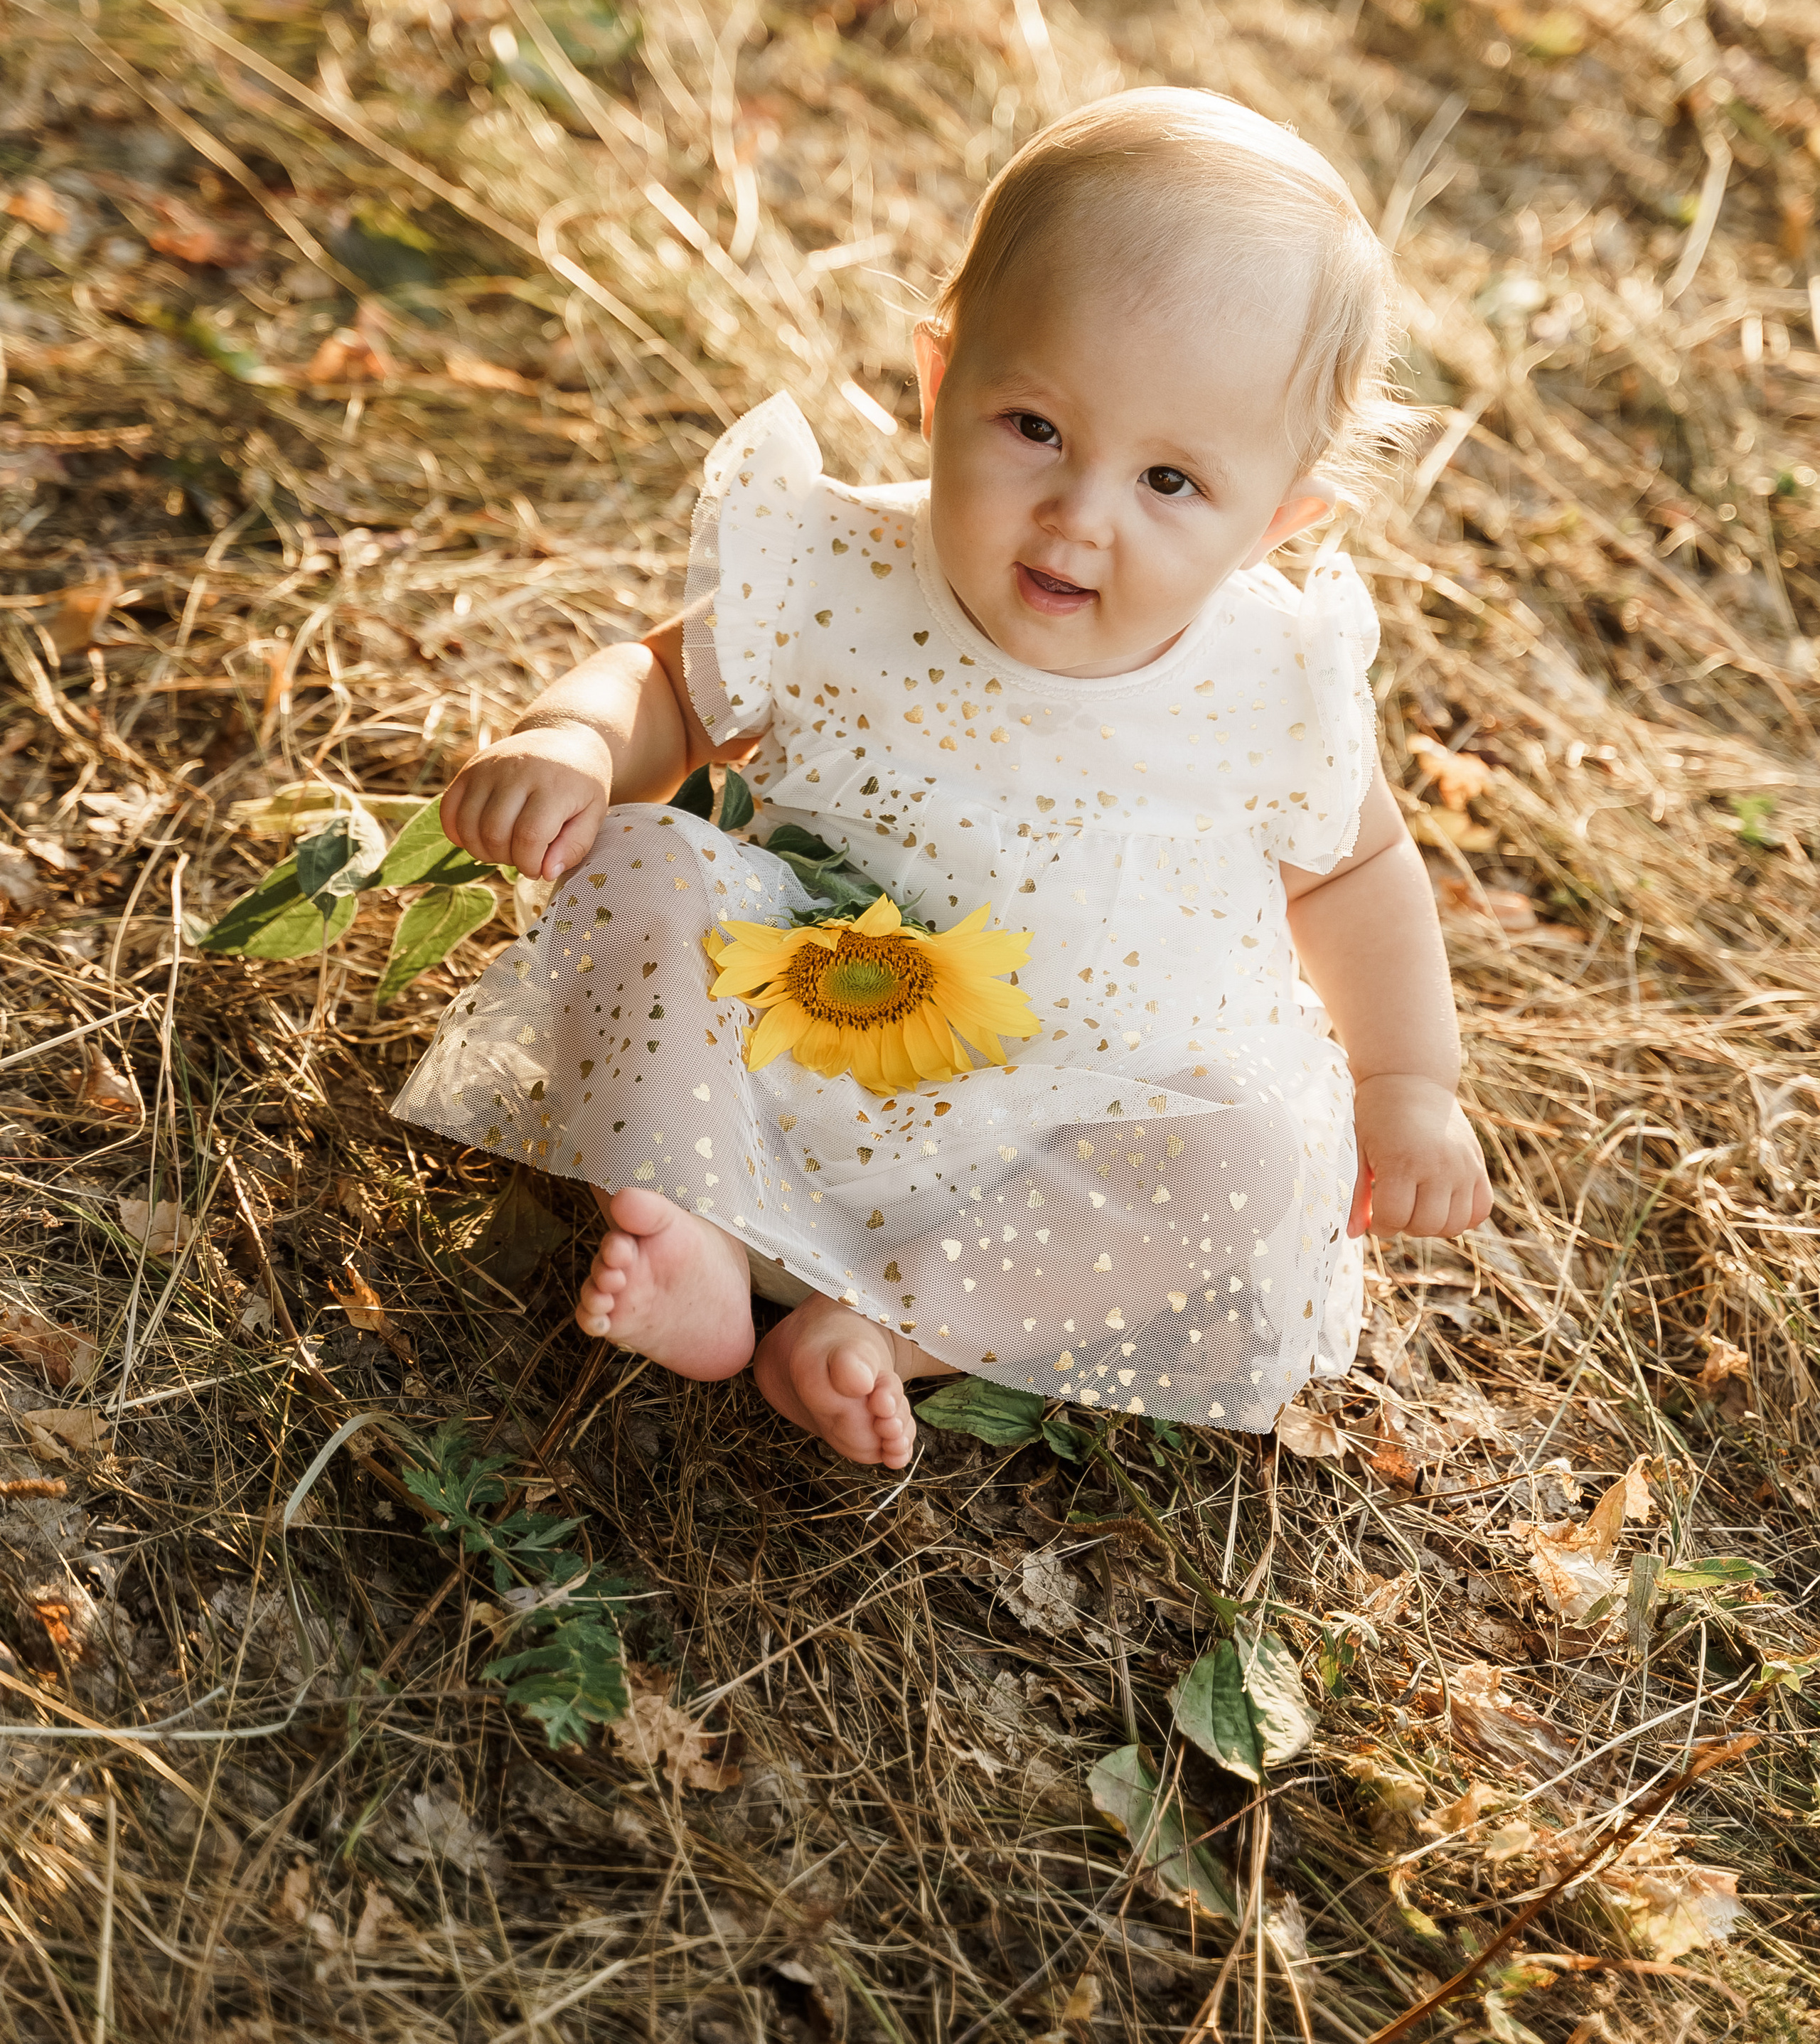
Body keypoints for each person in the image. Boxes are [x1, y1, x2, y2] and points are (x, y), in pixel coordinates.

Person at [392, 89, 1489, 1470]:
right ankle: (705, 1233)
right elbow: (666, 687)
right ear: (938, 376)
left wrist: (1405, 1079)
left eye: (1166, 480)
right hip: (793, 1032)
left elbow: (1356, 868)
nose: (1078, 515)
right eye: (1031, 426)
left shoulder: (1266, 673)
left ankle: (889, 1326)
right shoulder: (842, 568)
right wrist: (571, 742)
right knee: (641, 861)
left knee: (1260, 1155)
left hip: (1070, 1122)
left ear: (1277, 519)